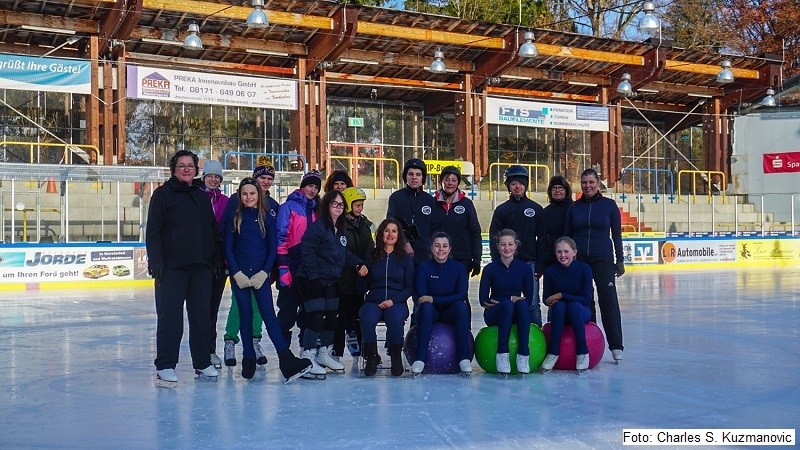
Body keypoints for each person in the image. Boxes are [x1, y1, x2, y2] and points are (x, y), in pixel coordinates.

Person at [223, 178, 312, 382]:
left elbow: (273, 249)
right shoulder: (234, 217)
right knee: (245, 315)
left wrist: (264, 272)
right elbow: (228, 248)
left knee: (269, 316)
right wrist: (236, 273)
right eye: (244, 194)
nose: (249, 197)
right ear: (240, 196)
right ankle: (248, 357)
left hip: (260, 277)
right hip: (240, 277)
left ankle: (286, 360)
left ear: (258, 195)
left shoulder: (267, 217)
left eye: (252, 194)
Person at [146, 150, 222, 386]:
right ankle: (165, 365)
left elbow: (211, 232)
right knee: (170, 318)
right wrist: (156, 262)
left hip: (200, 268)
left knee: (201, 318)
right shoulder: (162, 195)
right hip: (172, 269)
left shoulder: (201, 197)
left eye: (190, 165)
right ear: (174, 169)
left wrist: (215, 261)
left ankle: (202, 362)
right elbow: (153, 231)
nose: (187, 169)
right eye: (182, 165)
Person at [296, 190, 368, 379]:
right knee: (316, 317)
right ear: (327, 206)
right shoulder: (318, 227)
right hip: (311, 278)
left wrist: (358, 264)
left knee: (331, 317)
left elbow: (344, 254)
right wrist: (313, 278)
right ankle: (307, 357)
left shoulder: (340, 229)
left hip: (330, 279)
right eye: (334, 204)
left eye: (341, 205)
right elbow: (307, 252)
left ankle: (324, 353)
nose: (338, 207)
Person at [564, 168, 625, 361]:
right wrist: (568, 261)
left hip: (603, 259)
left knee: (608, 299)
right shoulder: (574, 207)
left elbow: (616, 235)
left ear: (598, 184)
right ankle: (590, 341)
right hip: (580, 260)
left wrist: (620, 259)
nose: (587, 186)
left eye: (591, 182)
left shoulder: (609, 205)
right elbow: (567, 237)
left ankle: (616, 345)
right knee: (585, 300)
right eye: (584, 182)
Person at [221, 156, 275, 369]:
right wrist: (232, 266)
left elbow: (273, 240)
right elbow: (228, 233)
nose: (266, 181)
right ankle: (230, 341)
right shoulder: (237, 201)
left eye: (269, 178)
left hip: (262, 268)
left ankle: (254, 341)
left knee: (258, 307)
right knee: (238, 305)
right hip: (240, 266)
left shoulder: (272, 206)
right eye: (262, 177)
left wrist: (270, 268)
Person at [488, 165, 544, 328]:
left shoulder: (536, 209)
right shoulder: (502, 210)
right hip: (507, 265)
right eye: (513, 184)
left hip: (529, 263)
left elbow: (542, 239)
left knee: (532, 303)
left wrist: (540, 265)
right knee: (507, 300)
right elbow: (494, 237)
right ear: (508, 186)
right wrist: (497, 261)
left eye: (521, 183)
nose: (517, 186)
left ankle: (536, 334)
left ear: (526, 185)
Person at [360, 218, 414, 377]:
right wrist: (361, 275)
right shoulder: (372, 255)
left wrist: (392, 301)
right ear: (381, 234)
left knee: (395, 318)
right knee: (366, 317)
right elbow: (364, 284)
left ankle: (396, 356)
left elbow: (409, 287)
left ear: (399, 235)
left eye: (394, 231)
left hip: (396, 301)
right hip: (374, 300)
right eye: (387, 230)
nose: (390, 234)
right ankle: (372, 356)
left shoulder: (405, 258)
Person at [412, 232, 471, 376]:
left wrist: (433, 299)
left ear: (450, 248)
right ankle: (420, 358)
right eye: (437, 246)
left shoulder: (459, 268)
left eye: (444, 246)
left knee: (461, 306)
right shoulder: (423, 267)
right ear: (432, 248)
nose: (441, 249)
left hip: (451, 312)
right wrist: (432, 301)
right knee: (426, 307)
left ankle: (464, 358)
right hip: (430, 312)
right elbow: (422, 295)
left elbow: (461, 295)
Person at [276, 170, 322, 351]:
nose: (312, 190)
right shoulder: (289, 207)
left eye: (316, 187)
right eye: (310, 185)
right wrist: (283, 266)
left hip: (310, 267)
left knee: (308, 311)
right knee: (287, 312)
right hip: (292, 264)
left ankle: (306, 350)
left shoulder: (318, 210)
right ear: (303, 186)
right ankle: (283, 351)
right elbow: (281, 237)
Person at [478, 229, 535, 375]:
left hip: (516, 312)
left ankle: (523, 353)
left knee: (521, 304)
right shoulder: (490, 269)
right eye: (503, 244)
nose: (507, 248)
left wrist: (508, 300)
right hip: (495, 313)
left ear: (516, 245)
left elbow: (528, 299)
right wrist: (509, 299)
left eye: (510, 244)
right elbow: (483, 300)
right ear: (497, 246)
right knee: (509, 304)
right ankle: (502, 353)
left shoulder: (525, 268)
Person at [333, 187, 375, 360]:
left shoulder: (363, 224)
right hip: (343, 280)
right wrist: (358, 264)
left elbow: (369, 245)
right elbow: (342, 251)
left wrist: (366, 263)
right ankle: (336, 352)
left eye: (362, 205)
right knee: (341, 317)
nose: (360, 208)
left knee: (359, 316)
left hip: (359, 280)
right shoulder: (340, 225)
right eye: (357, 205)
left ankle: (365, 350)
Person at [541, 237, 594, 371]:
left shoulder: (585, 269)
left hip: (580, 311)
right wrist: (549, 301)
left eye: (566, 251)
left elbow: (586, 300)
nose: (562, 255)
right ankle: (553, 352)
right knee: (559, 306)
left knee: (573, 306)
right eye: (559, 252)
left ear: (574, 252)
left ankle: (582, 351)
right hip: (559, 313)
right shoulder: (550, 271)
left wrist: (562, 295)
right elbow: (546, 298)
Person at [198, 160, 229, 369]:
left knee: (212, 309)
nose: (213, 179)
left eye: (217, 177)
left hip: (219, 263)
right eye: (210, 175)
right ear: (203, 177)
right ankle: (201, 351)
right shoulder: (196, 197)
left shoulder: (225, 201)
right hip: (200, 262)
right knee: (200, 309)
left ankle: (210, 349)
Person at [386, 158, 440, 265]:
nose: (414, 177)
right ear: (405, 177)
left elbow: (435, 228)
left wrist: (433, 249)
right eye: (410, 174)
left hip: (425, 255)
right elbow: (391, 224)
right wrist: (405, 242)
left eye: (418, 174)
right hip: (400, 253)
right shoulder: (396, 198)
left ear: (423, 178)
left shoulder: (429, 200)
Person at [434, 165, 482, 278]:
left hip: (461, 259)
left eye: (454, 180)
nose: (450, 183)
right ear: (441, 182)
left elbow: (475, 232)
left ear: (458, 183)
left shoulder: (466, 204)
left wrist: (477, 259)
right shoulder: (432, 203)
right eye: (447, 179)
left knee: (460, 289)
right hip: (437, 257)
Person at [538, 175, 573, 273]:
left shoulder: (574, 209)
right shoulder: (545, 212)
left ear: (566, 190)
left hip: (570, 258)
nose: (557, 190)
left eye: (560, 188)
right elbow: (542, 237)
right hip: (551, 259)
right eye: (554, 188)